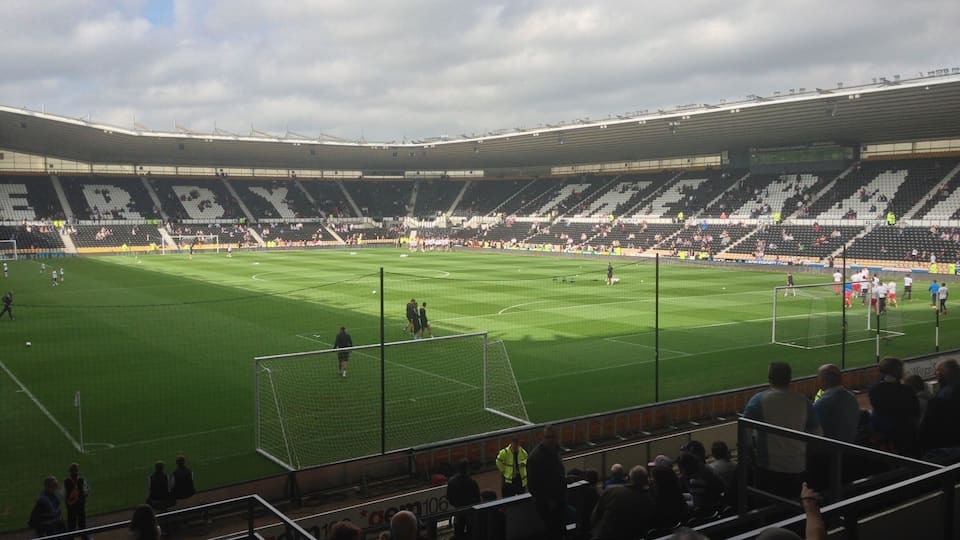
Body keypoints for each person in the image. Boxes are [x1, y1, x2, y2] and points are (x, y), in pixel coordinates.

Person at [743, 362, 822, 499]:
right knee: (794, 508)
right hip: (797, 468)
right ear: (789, 378)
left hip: (767, 469)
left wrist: (753, 458)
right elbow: (818, 435)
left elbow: (744, 438)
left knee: (767, 509)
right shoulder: (803, 401)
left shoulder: (757, 401)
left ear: (769, 378)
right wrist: (803, 456)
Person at [868, 357, 920, 456]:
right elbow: (916, 413)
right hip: (906, 437)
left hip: (884, 438)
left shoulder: (875, 390)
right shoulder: (908, 390)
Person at [590, 465, 656, 540]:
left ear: (629, 478)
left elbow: (593, 518)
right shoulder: (648, 502)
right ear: (646, 481)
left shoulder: (611, 491)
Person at [527, 425, 566, 540]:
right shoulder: (535, 457)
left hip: (559, 500)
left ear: (557, 437)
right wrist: (548, 501)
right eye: (548, 437)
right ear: (543, 438)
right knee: (553, 532)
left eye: (553, 437)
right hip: (548, 505)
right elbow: (533, 486)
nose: (551, 439)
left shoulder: (555, 451)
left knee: (559, 531)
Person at [919, 359, 960, 454]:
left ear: (943, 374)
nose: (935, 373)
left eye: (938, 370)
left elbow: (927, 426)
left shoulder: (943, 397)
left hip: (946, 445)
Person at [813, 365, 860, 443]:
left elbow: (812, 426)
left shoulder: (824, 402)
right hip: (850, 444)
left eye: (818, 377)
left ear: (823, 381)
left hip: (830, 448)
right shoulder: (851, 397)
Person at [446, 459, 481, 538]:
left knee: (458, 533)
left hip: (458, 510)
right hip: (469, 512)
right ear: (467, 469)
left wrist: (456, 504)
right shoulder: (472, 482)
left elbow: (449, 497)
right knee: (471, 532)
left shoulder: (451, 482)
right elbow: (477, 498)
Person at [64, 462, 90, 539]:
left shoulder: (66, 481)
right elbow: (86, 492)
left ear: (70, 471)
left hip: (71, 507)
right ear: (78, 470)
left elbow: (63, 494)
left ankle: (71, 538)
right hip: (80, 505)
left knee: (71, 523)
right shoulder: (82, 480)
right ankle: (84, 538)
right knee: (82, 523)